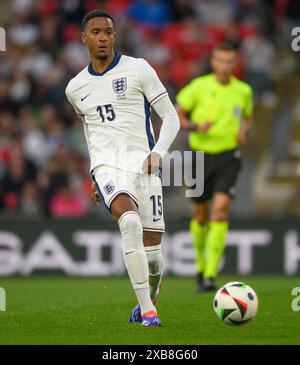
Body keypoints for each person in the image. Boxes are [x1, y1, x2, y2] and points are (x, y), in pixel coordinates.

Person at [65, 10, 180, 326]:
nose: (103, 37)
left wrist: (158, 153)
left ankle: (150, 295)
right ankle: (148, 311)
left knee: (154, 256)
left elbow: (171, 117)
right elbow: (91, 131)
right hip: (107, 168)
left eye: (108, 31)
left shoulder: (139, 68)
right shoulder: (76, 88)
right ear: (84, 37)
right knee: (129, 222)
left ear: (115, 36)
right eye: (96, 32)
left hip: (143, 166)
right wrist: (94, 173)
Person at [175, 43, 253, 292]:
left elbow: (248, 117)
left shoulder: (243, 91)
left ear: (235, 63)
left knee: (220, 210)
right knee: (200, 214)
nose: (225, 66)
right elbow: (177, 114)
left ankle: (210, 272)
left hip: (229, 155)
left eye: (229, 61)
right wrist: (195, 127)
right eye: (220, 60)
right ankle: (200, 266)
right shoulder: (199, 87)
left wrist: (244, 130)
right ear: (212, 61)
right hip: (200, 156)